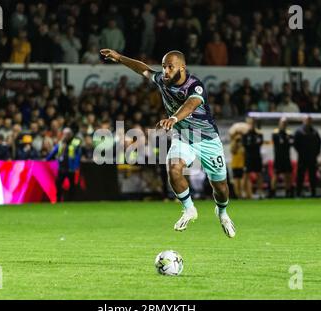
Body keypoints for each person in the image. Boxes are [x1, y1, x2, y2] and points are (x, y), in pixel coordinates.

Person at [100, 48, 235, 237]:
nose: (165, 71)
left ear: (182, 67)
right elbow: (143, 69)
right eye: (164, 67)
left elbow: (190, 105)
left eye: (170, 67)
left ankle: (222, 213)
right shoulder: (162, 81)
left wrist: (173, 118)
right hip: (183, 137)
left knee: (220, 187)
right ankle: (189, 209)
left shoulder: (195, 86)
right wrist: (120, 57)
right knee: (173, 168)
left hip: (207, 139)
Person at [46, 128, 82, 202]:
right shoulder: (61, 143)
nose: (66, 136)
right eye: (65, 134)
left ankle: (71, 200)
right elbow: (54, 151)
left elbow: (78, 155)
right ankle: (58, 199)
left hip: (71, 168)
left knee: (72, 185)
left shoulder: (76, 142)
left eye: (67, 134)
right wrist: (47, 159)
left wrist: (76, 167)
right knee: (58, 183)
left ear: (71, 134)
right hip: (62, 167)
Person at [294, 116, 321, 197]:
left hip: (312, 158)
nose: (308, 122)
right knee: (300, 176)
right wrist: (301, 153)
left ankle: (313, 193)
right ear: (303, 121)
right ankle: (298, 193)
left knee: (313, 176)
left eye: (309, 120)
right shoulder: (299, 132)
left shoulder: (315, 132)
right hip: (302, 158)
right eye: (306, 120)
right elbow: (296, 145)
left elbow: (318, 144)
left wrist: (316, 154)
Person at [271, 117, 294, 198]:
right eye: (282, 123)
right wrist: (286, 141)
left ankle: (288, 192)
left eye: (285, 123)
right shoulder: (275, 133)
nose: (284, 124)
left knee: (288, 175)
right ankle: (272, 192)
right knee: (276, 175)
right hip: (278, 157)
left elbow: (291, 143)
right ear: (279, 123)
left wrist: (286, 140)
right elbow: (279, 143)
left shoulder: (289, 133)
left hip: (286, 157)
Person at [242, 117, 264, 199]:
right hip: (248, 157)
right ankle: (244, 192)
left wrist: (252, 145)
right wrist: (253, 144)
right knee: (246, 174)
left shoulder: (259, 134)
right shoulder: (245, 135)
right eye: (250, 124)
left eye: (252, 124)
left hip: (257, 157)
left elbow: (259, 144)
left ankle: (260, 192)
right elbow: (245, 145)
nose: (251, 125)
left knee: (259, 174)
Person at [230, 132, 246, 199]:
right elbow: (232, 150)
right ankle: (238, 195)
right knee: (236, 181)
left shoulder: (243, 146)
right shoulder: (233, 145)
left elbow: (244, 152)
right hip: (235, 165)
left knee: (242, 181)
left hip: (241, 165)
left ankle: (242, 194)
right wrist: (235, 142)